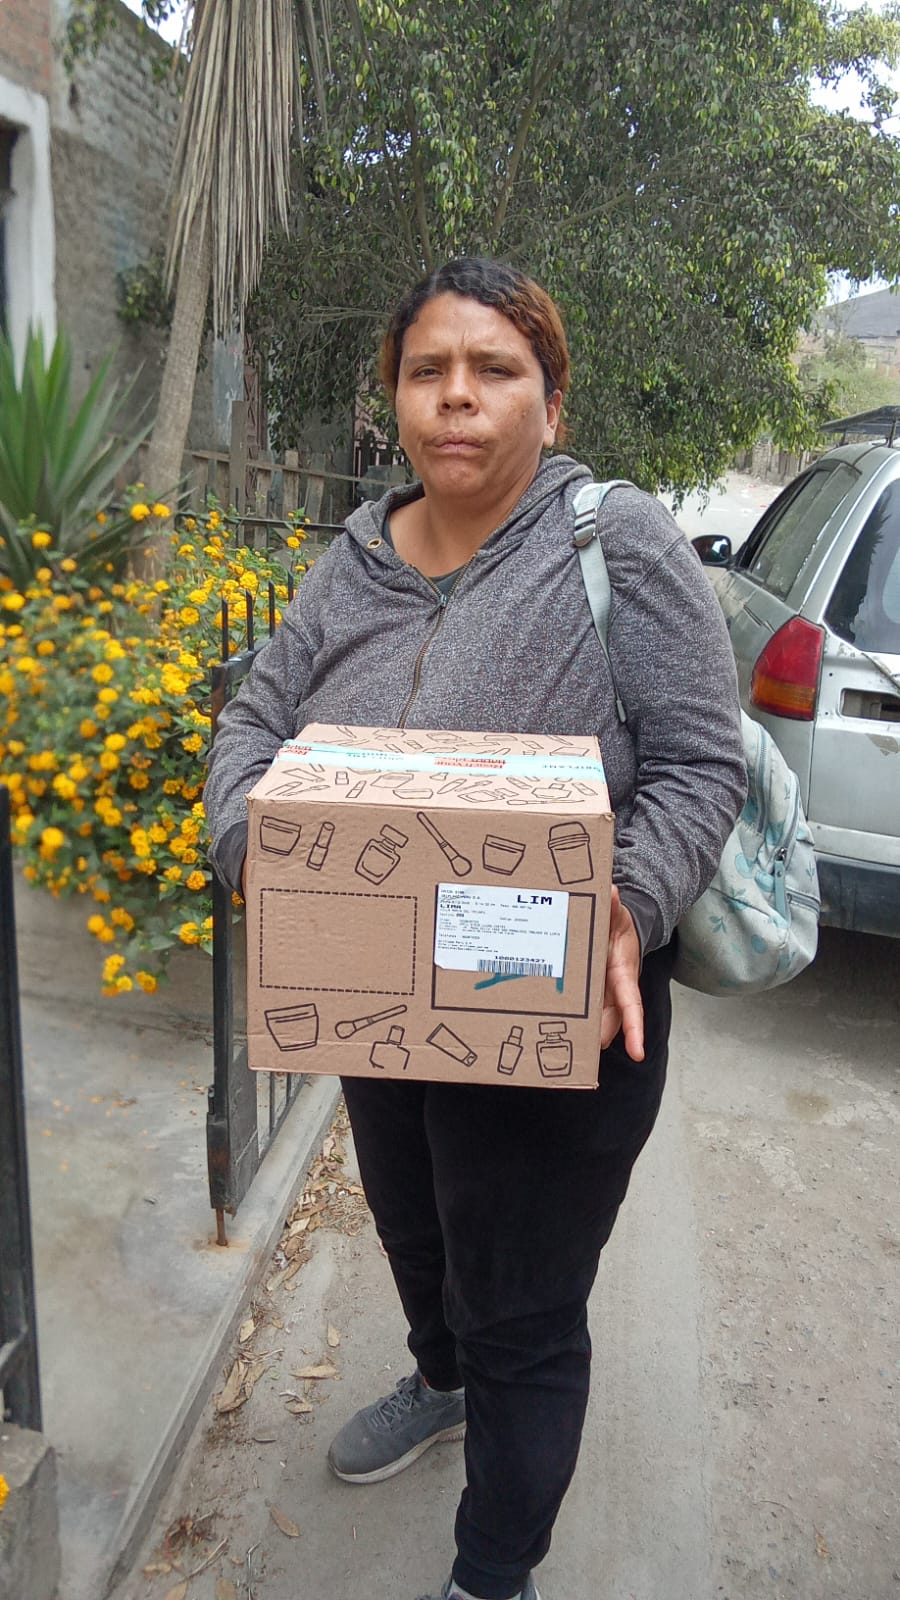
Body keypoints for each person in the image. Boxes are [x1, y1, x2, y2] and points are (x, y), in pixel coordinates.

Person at [204, 257, 747, 1600]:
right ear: (395, 399)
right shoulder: (351, 562)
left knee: (525, 1308)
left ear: (550, 406)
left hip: (563, 1016)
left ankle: (491, 1570)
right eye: (427, 370)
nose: (458, 395)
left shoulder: (616, 546)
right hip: (385, 1010)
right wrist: (256, 849)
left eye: (495, 370)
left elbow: (699, 763)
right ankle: (439, 1382)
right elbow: (253, 723)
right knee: (417, 1236)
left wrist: (628, 901)